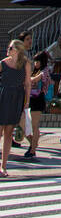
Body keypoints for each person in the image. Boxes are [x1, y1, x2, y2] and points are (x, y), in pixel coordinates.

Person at [0, 39, 30, 176]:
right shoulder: (3, 63)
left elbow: (28, 84)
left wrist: (27, 100)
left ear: (17, 49)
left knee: (9, 133)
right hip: (3, 96)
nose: (8, 49)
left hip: (17, 97)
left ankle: (4, 166)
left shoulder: (25, 64)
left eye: (11, 47)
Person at [22, 51, 52, 161]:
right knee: (22, 123)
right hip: (28, 99)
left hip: (38, 99)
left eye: (37, 61)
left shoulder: (45, 71)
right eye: (35, 61)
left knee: (34, 126)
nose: (36, 63)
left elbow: (34, 80)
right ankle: (33, 143)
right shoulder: (34, 70)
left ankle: (33, 149)